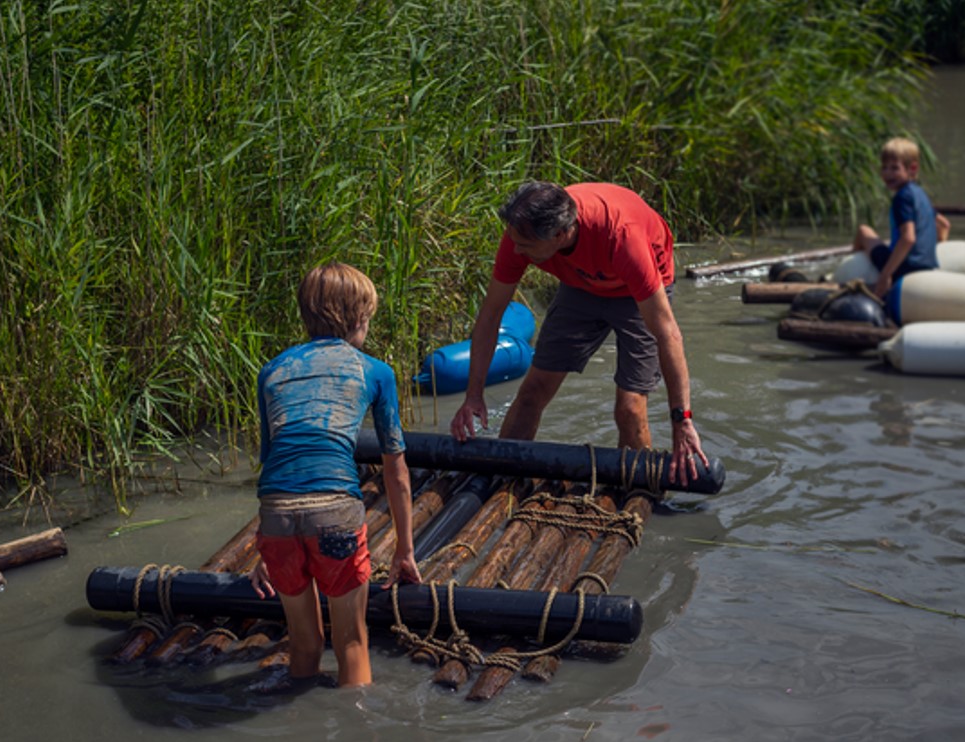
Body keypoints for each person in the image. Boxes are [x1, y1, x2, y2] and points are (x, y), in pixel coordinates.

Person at [450, 181, 708, 487]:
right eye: (515, 241)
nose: (516, 250)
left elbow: (668, 334)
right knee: (532, 392)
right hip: (580, 286)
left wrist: (682, 420)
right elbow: (491, 315)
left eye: (526, 245)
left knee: (629, 407)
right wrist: (473, 395)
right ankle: (503, 482)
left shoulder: (623, 239)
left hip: (637, 292)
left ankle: (637, 494)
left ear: (560, 235)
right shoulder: (521, 234)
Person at [249, 261, 421, 690]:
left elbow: (274, 463)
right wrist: (404, 550)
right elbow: (396, 472)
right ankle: (355, 722)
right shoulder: (375, 371)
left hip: (277, 519)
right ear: (358, 318)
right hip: (335, 513)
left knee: (304, 644)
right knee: (352, 644)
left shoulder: (272, 371)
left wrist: (266, 547)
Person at [852, 137, 951, 298]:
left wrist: (885, 275)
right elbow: (944, 225)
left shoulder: (902, 197)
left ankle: (851, 271)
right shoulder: (920, 194)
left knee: (863, 231)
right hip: (927, 268)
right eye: (884, 167)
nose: (887, 174)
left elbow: (908, 238)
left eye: (894, 168)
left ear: (912, 169)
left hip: (903, 269)